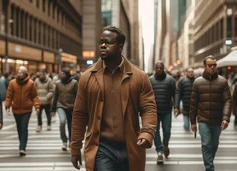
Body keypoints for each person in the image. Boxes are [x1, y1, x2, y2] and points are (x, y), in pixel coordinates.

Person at [71, 25, 157, 171]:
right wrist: (75, 147)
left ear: (120, 46)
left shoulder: (139, 77)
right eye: (101, 42)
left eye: (108, 42)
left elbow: (148, 108)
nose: (103, 45)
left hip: (131, 145)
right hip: (101, 148)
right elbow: (80, 114)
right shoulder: (87, 77)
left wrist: (147, 132)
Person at [190, 55, 232, 171]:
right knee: (206, 144)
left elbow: (228, 100)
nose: (212, 67)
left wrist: (225, 118)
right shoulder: (197, 82)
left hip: (217, 119)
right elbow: (193, 104)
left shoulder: (223, 81)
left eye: (214, 65)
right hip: (203, 119)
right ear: (205, 66)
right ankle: (209, 168)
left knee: (214, 144)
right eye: (210, 65)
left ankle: (209, 162)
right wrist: (193, 122)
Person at [5, 66, 40, 156]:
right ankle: (22, 143)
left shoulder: (31, 83)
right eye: (18, 72)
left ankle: (22, 147)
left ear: (25, 74)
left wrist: (37, 106)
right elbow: (9, 95)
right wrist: (7, 106)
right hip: (16, 109)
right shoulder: (12, 83)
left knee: (24, 127)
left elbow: (34, 96)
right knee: (19, 128)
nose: (19, 74)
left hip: (27, 110)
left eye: (21, 72)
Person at [149, 61, 175, 164]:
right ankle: (159, 151)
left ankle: (165, 145)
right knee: (155, 132)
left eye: (161, 68)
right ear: (155, 68)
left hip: (167, 110)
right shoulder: (150, 80)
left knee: (167, 130)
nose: (159, 69)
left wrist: (176, 106)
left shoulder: (170, 80)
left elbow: (175, 93)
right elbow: (146, 95)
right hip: (154, 111)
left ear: (163, 68)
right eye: (157, 68)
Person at [51, 69, 78, 151]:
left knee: (71, 125)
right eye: (61, 74)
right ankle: (64, 141)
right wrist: (53, 109)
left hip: (72, 107)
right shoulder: (58, 83)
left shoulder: (74, 83)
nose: (62, 75)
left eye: (63, 74)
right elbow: (55, 96)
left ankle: (71, 141)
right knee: (62, 121)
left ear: (67, 74)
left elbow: (77, 96)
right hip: (61, 106)